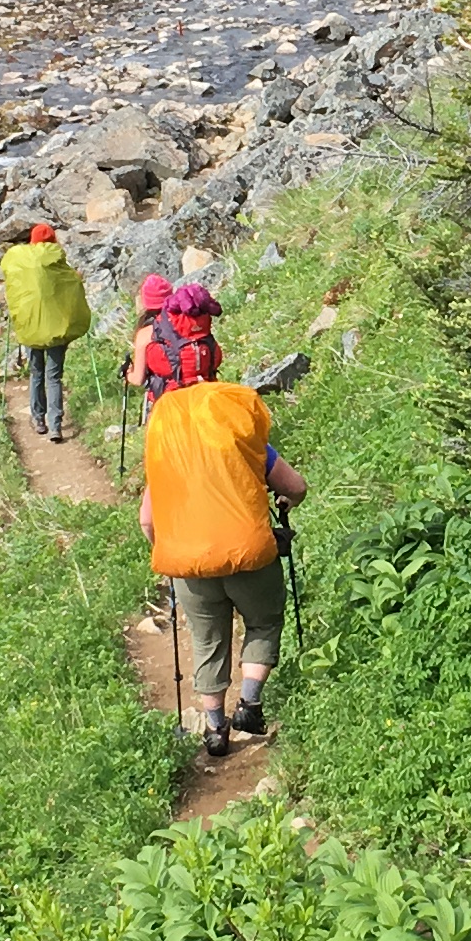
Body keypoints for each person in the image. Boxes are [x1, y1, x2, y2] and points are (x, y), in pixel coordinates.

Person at [140, 363, 307, 756]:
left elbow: (147, 520)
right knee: (264, 621)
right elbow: (295, 487)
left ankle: (215, 730)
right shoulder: (246, 441)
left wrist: (166, 548)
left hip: (190, 564)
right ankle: (249, 704)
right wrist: (286, 503)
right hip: (249, 551)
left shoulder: (169, 456)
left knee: (207, 640)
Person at [0, 222, 89, 440]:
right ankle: (55, 425)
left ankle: (38, 419)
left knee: (36, 373)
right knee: (54, 376)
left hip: (31, 329)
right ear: (52, 242)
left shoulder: (22, 262)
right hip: (57, 330)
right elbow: (72, 285)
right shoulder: (59, 263)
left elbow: (12, 283)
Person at [126, 274, 224, 411]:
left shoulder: (146, 333)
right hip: (205, 388)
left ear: (146, 302)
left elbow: (138, 379)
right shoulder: (192, 322)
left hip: (170, 401)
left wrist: (127, 374)